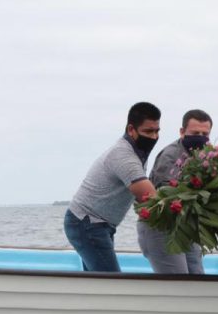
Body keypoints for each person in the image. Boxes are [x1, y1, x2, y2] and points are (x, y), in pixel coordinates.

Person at [64, 102, 160, 272]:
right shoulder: (124, 156)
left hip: (99, 224)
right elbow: (152, 199)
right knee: (111, 282)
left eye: (156, 131)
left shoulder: (138, 152)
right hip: (87, 223)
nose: (153, 137)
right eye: (148, 131)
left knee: (97, 283)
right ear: (131, 129)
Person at [137, 109, 213, 274]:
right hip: (160, 225)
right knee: (177, 281)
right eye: (194, 132)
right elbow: (164, 195)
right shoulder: (170, 156)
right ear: (182, 131)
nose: (200, 136)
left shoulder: (204, 155)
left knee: (197, 276)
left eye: (204, 133)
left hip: (185, 225)